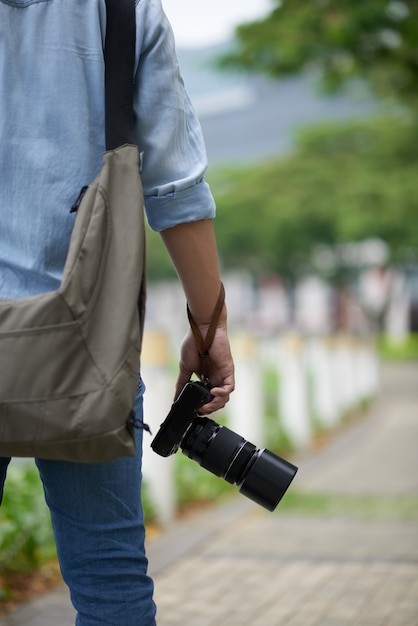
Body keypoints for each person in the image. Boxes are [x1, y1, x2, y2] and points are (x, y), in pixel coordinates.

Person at [0, 0, 235, 624]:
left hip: (88, 353)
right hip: (87, 349)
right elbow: (175, 188)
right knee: (110, 575)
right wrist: (208, 328)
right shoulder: (122, 10)